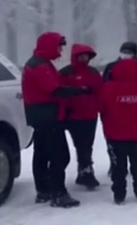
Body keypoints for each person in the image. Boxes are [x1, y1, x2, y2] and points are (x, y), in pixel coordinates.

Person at [22, 32, 91, 208]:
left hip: (38, 116)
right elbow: (54, 90)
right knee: (60, 155)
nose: (60, 51)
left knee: (42, 155)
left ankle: (43, 190)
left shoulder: (37, 63)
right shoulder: (40, 66)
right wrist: (79, 89)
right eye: (59, 47)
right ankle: (58, 192)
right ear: (50, 46)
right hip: (48, 117)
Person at [100, 58, 137, 204]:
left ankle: (119, 194)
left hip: (115, 133)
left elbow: (101, 106)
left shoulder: (107, 88)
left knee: (118, 166)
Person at [102, 41, 137, 177]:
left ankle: (135, 166)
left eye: (129, 52)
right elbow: (103, 86)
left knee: (134, 136)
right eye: (124, 51)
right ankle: (115, 163)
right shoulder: (111, 67)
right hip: (114, 108)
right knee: (113, 137)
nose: (125, 55)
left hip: (134, 108)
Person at [58, 43, 103, 190]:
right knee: (81, 144)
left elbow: (100, 92)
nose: (84, 58)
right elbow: (59, 94)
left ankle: (84, 170)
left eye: (87, 56)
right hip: (73, 115)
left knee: (86, 145)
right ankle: (86, 171)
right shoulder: (65, 73)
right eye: (81, 55)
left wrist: (100, 108)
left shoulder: (93, 72)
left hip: (90, 114)